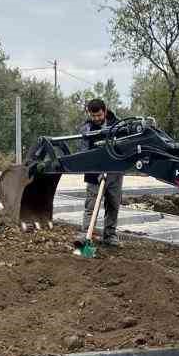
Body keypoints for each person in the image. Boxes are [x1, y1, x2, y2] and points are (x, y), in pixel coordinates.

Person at [80, 98, 122, 247]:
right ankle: (86, 235)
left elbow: (123, 148)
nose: (96, 119)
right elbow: (84, 153)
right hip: (93, 174)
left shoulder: (117, 125)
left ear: (105, 110)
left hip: (115, 173)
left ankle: (110, 236)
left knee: (113, 205)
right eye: (93, 116)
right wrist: (95, 169)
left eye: (99, 115)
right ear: (89, 113)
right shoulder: (87, 129)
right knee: (91, 206)